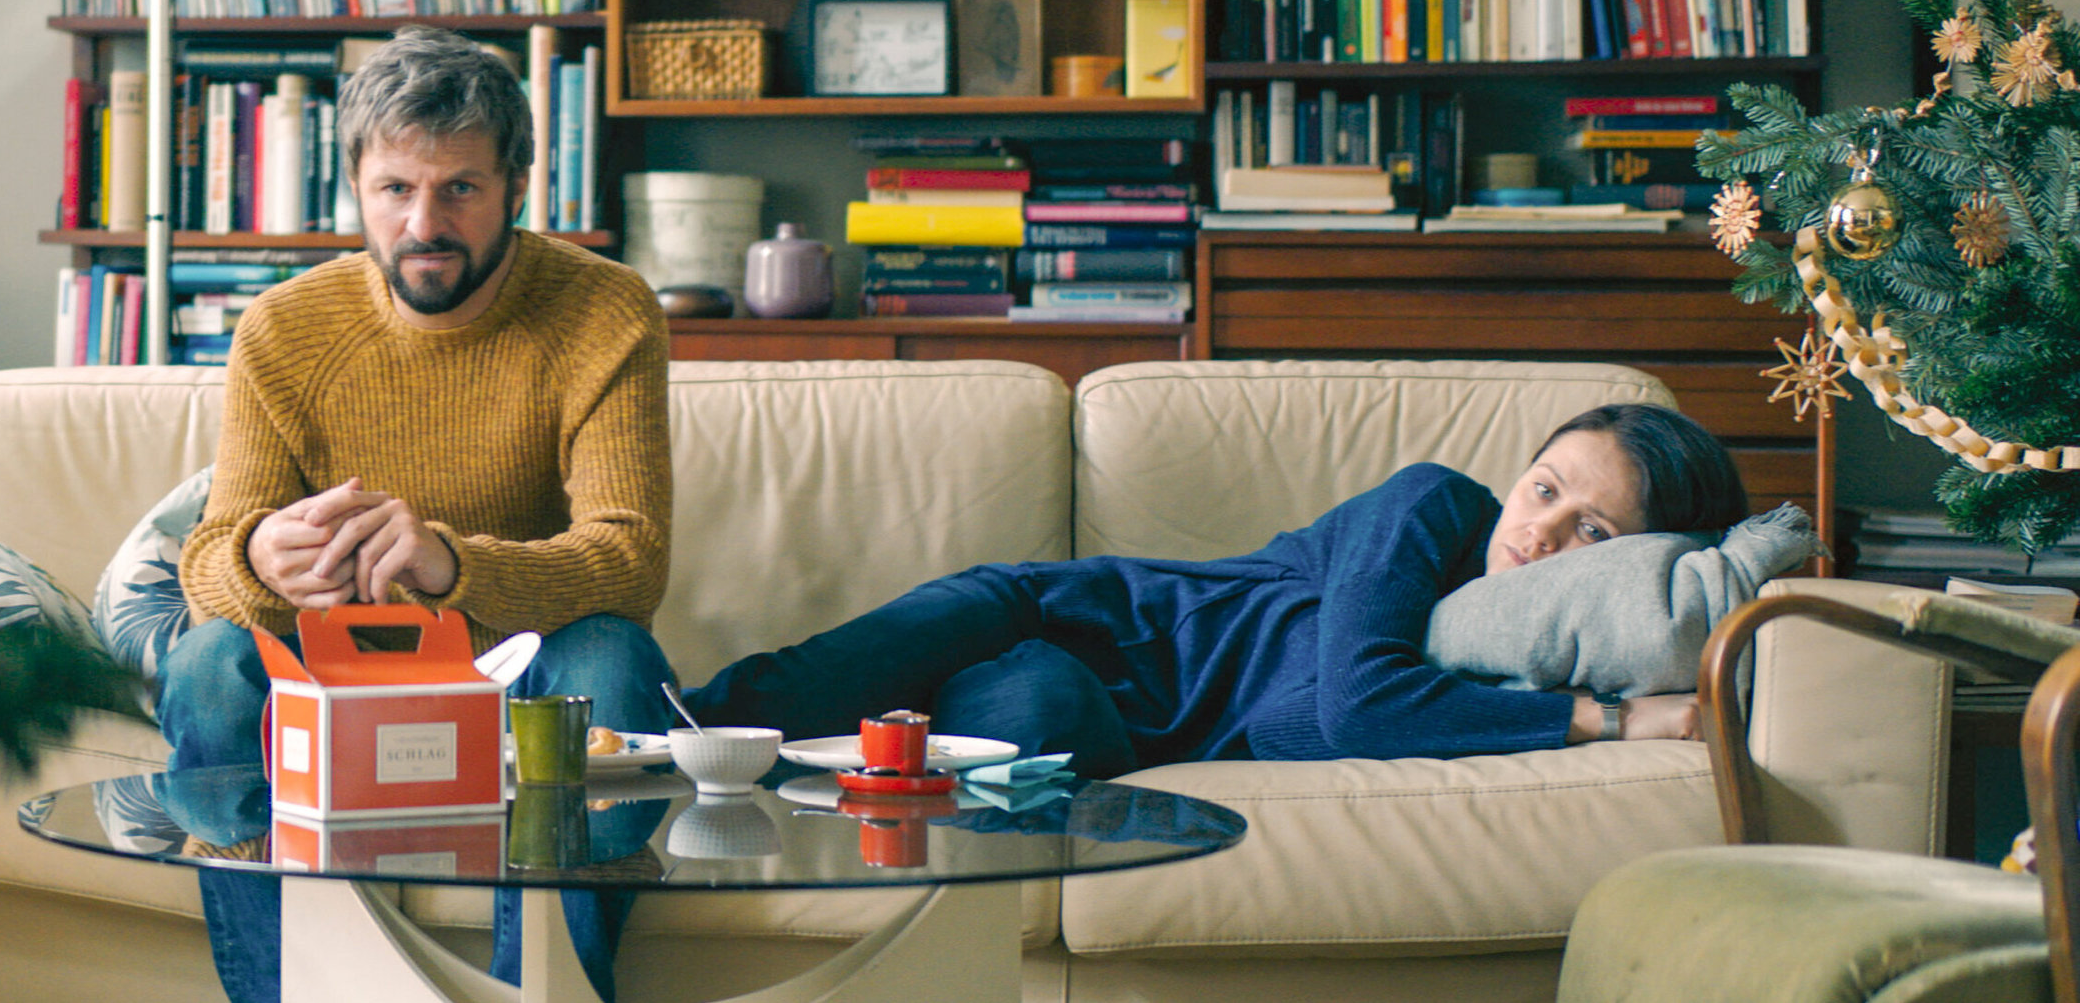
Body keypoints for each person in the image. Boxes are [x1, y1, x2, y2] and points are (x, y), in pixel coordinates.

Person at [157, 25, 677, 1003]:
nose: (423, 222)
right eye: (395, 189)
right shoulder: (283, 329)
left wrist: (449, 563)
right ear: (356, 186)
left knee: (613, 657)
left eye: (460, 189)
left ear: (518, 186)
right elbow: (205, 570)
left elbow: (630, 556)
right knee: (206, 662)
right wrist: (262, 557)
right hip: (341, 683)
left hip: (524, 684)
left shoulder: (604, 311)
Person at [685, 403, 1748, 775]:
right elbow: (1356, 705)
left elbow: (1304, 725)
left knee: (1022, 734)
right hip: (1055, 610)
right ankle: (614, 730)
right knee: (747, 714)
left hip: (1089, 706)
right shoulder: (1433, 510)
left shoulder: (1504, 646)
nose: (1538, 534)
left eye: (1591, 531)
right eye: (1544, 488)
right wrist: (1605, 720)